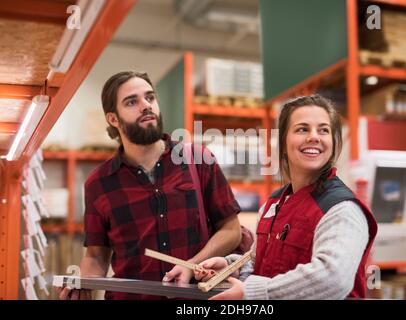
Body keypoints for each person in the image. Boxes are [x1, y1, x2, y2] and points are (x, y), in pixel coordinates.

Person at [58, 71, 242, 300]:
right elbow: (96, 255)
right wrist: (81, 285)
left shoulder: (198, 160)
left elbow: (231, 230)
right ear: (113, 119)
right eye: (132, 102)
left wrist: (191, 265)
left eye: (150, 98)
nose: (146, 106)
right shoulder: (99, 184)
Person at [195, 94, 378, 300]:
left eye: (324, 130)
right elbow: (260, 261)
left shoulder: (341, 209)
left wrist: (253, 292)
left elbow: (331, 279)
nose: (314, 137)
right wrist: (231, 267)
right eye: (302, 129)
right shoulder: (272, 204)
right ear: (282, 141)